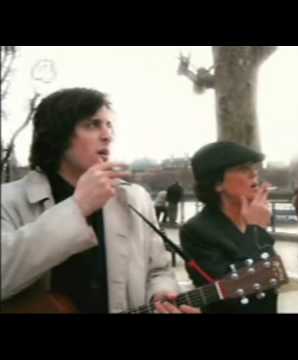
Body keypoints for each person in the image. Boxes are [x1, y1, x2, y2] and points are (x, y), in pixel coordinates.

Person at [1, 88, 199, 314]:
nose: (107, 135)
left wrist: (161, 295)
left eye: (109, 125)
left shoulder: (134, 198)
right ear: (57, 135)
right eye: (92, 124)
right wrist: (77, 207)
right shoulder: (7, 200)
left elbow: (159, 271)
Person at [179, 141, 278, 313]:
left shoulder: (250, 220)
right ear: (217, 183)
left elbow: (275, 275)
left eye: (253, 167)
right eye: (242, 168)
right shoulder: (196, 231)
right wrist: (257, 232)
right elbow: (238, 293)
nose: (253, 173)